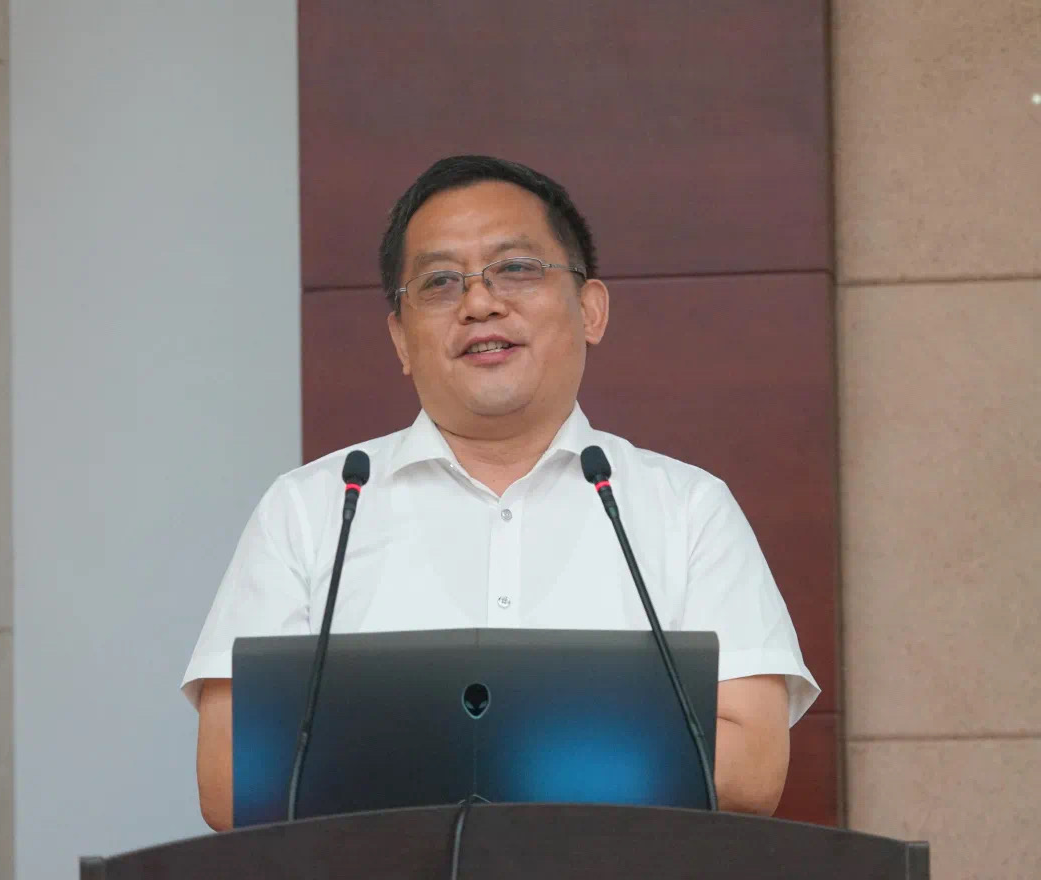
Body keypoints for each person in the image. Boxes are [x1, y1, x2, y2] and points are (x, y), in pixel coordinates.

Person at [183, 155, 819, 831]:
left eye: (515, 268)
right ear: (400, 339)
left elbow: (752, 767)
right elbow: (230, 778)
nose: (480, 303)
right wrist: (574, 751)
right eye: (439, 282)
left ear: (591, 309)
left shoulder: (687, 509)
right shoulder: (313, 510)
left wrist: (437, 753)